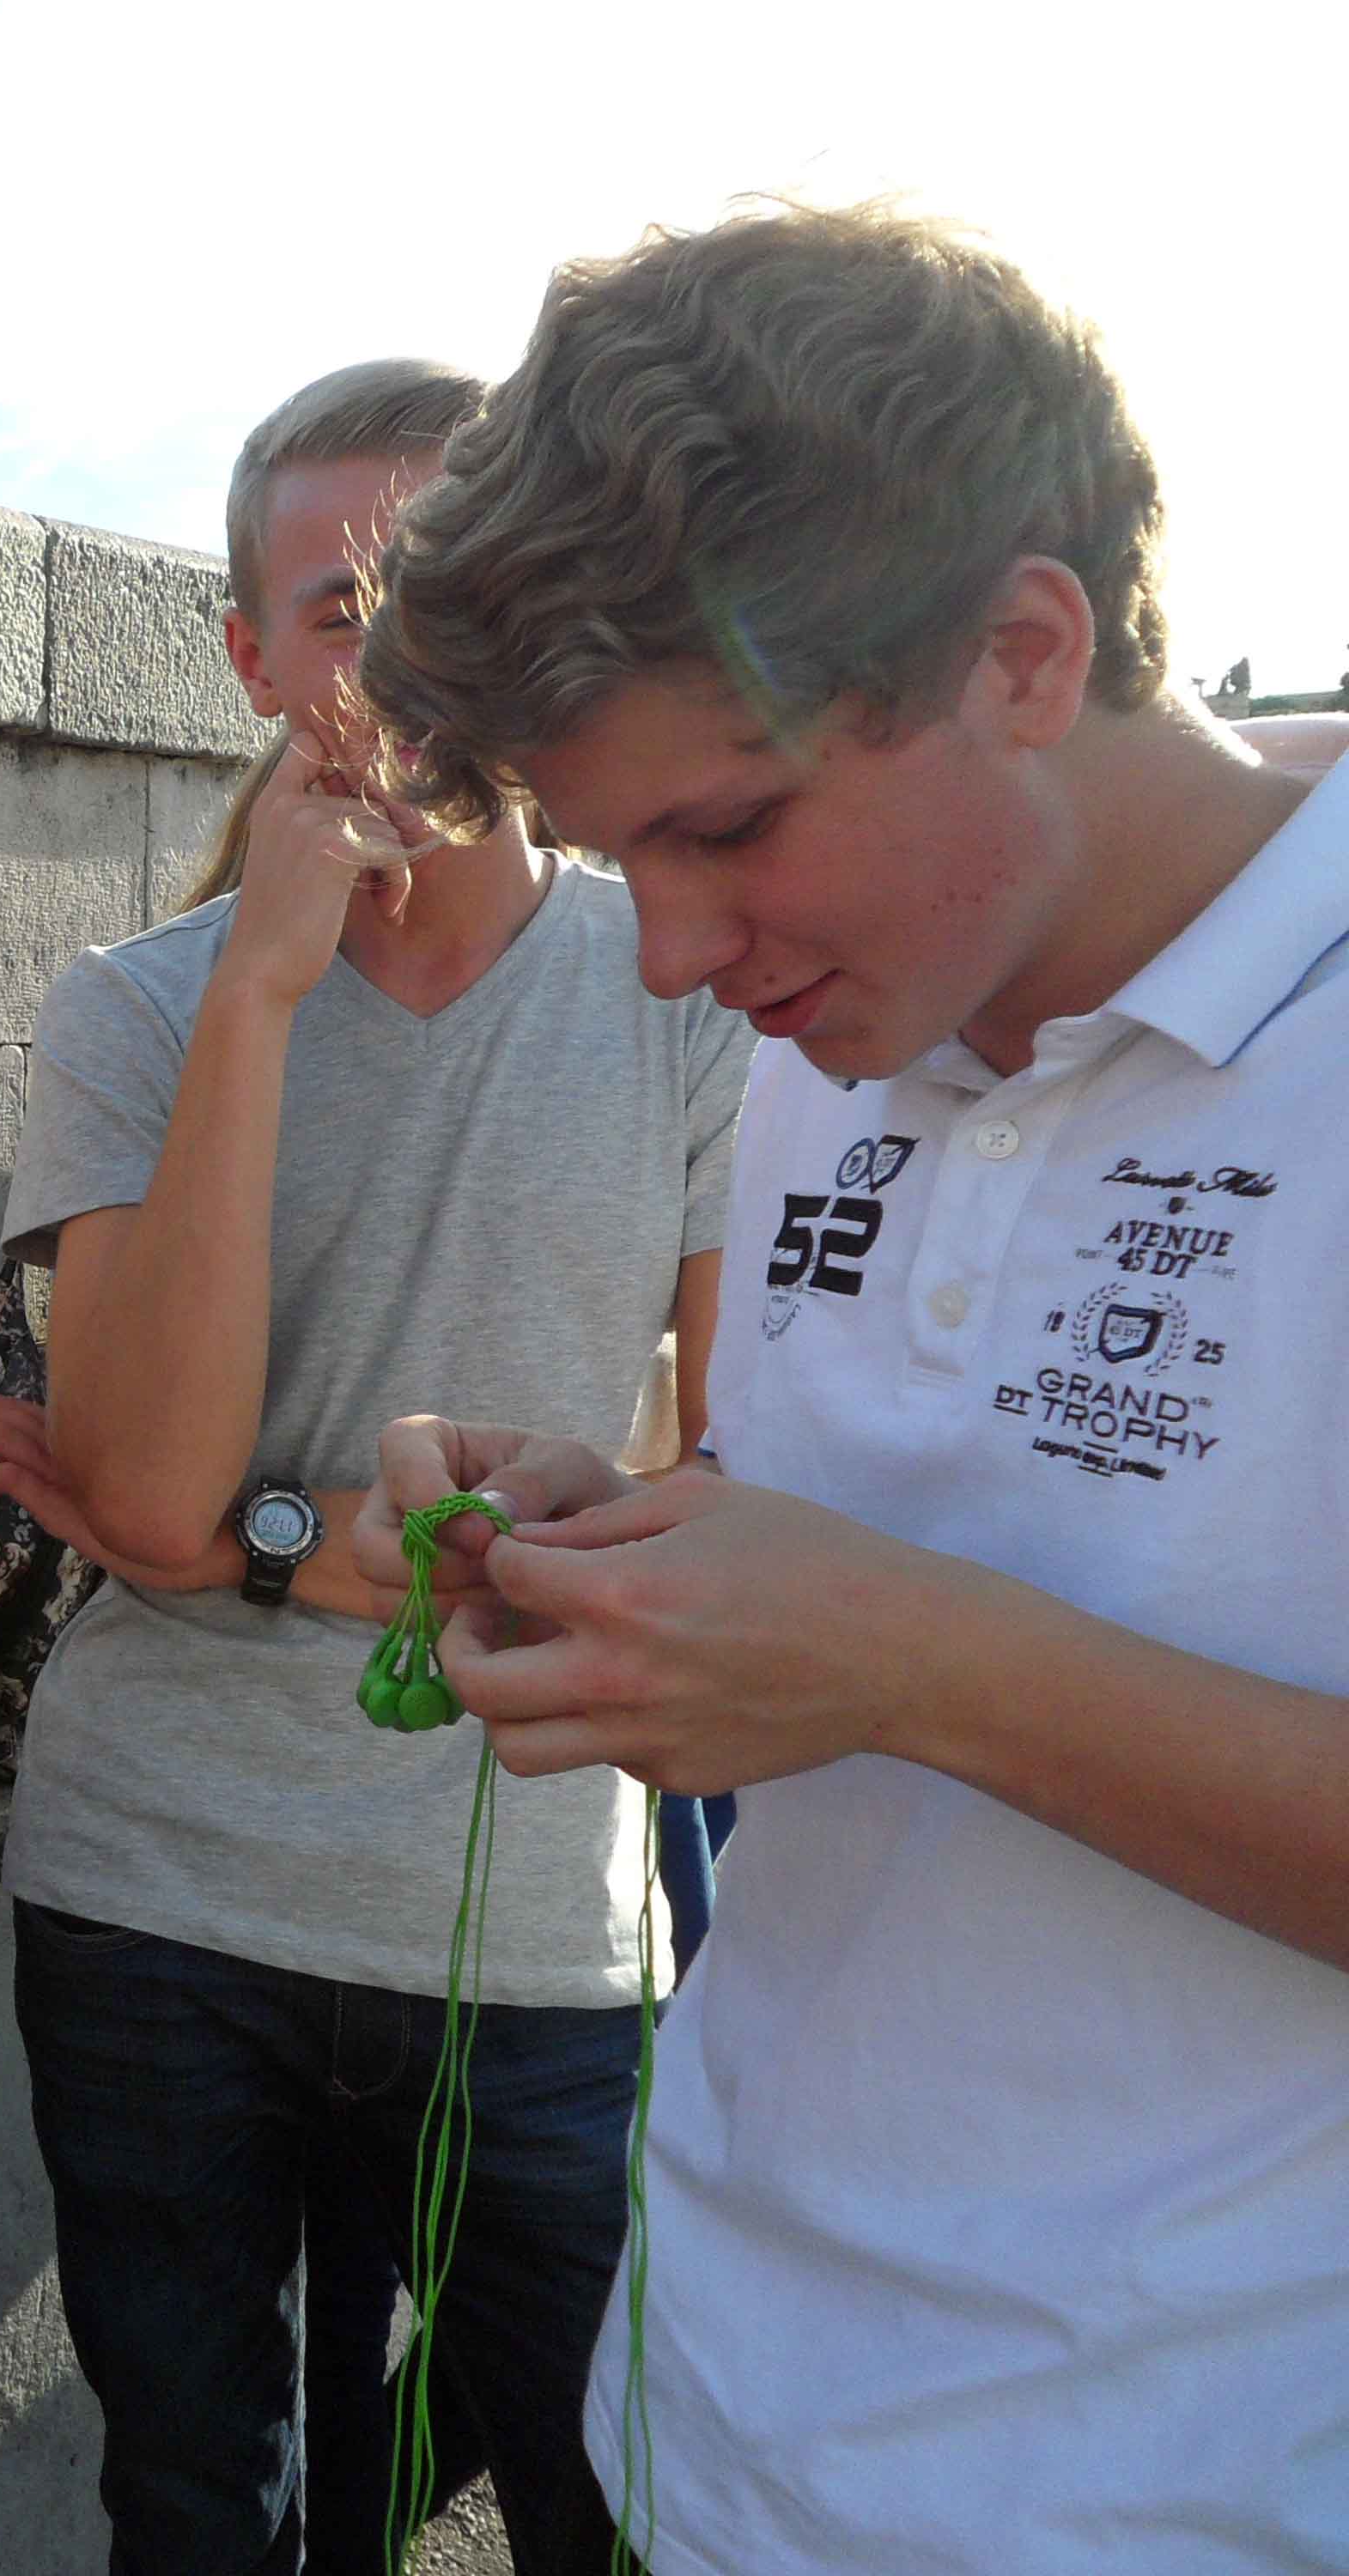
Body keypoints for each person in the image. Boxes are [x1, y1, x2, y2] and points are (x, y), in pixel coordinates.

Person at [352, 203, 1349, 2573]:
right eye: (613, 859)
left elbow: (910, 1627)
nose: (672, 954)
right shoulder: (837, 1013)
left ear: (1023, 652)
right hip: (707, 2419)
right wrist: (623, 1546)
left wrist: (913, 1663)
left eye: (722, 829)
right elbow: (857, 1517)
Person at [0, 360, 752, 2575]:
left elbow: (736, 1471)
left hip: (532, 1920)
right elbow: (147, 1487)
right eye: (336, 610)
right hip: (162, 1903)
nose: (403, 663)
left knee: (606, 2492)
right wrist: (261, 998)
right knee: (195, 2507)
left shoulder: (688, 990)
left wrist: (274, 1544)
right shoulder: (141, 1007)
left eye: (454, 590)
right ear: (246, 657)